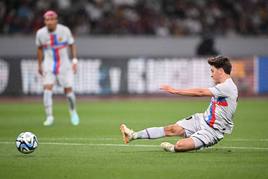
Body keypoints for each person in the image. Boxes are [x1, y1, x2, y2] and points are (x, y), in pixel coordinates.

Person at [120, 56, 238, 152]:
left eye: (212, 71)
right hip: (202, 119)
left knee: (179, 146)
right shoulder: (223, 86)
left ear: (221, 71)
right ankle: (132, 135)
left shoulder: (227, 87)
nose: (211, 74)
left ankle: (187, 146)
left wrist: (175, 91)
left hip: (212, 131)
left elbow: (200, 92)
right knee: (171, 129)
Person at [36, 10, 80, 126]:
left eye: (51, 19)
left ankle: (73, 112)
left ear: (56, 20)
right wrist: (39, 64)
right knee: (47, 90)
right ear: (45, 21)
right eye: (47, 20)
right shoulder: (40, 33)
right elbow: (39, 49)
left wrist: (74, 61)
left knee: (68, 91)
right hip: (49, 64)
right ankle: (49, 116)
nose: (49, 22)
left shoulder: (64, 30)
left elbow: (72, 44)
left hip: (64, 65)